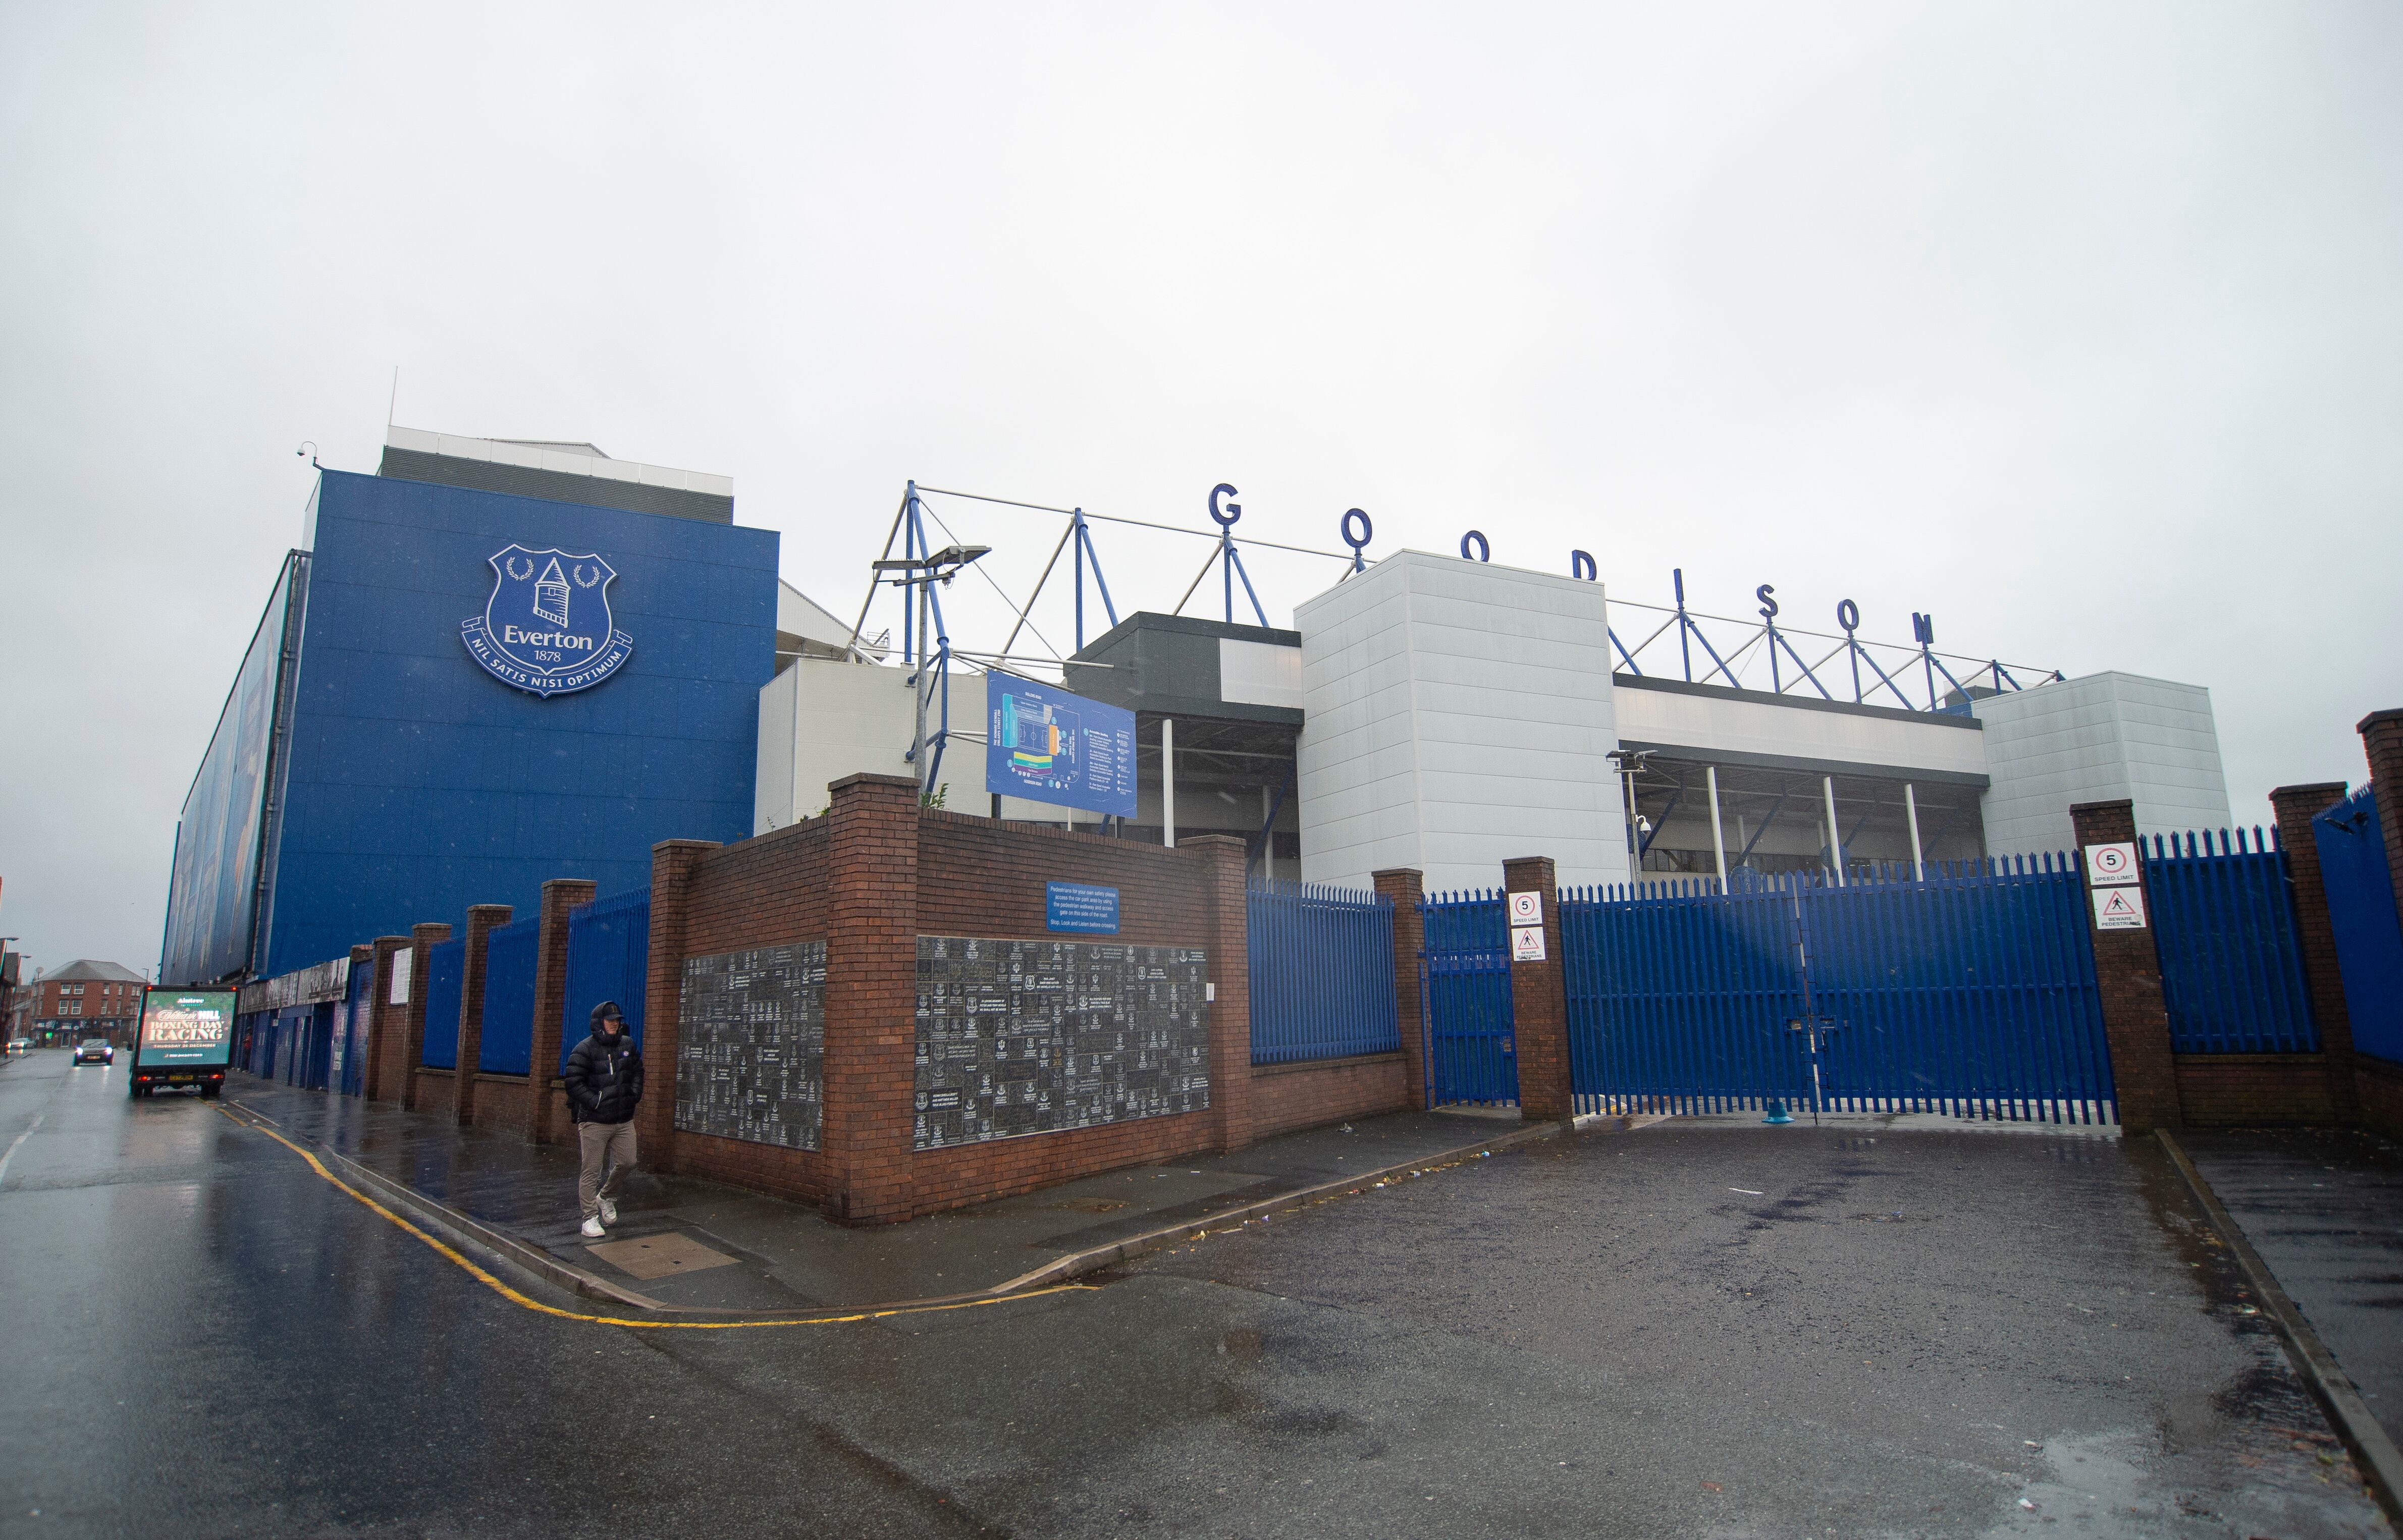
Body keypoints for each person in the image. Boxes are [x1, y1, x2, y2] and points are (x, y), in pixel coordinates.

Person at [563, 1000, 643, 1238]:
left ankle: (606, 1197)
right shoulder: (584, 1049)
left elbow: (638, 1071)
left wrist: (634, 1094)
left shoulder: (627, 1044)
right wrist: (596, 1101)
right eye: (610, 1021)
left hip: (623, 1119)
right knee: (591, 1170)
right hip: (594, 1121)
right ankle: (589, 1218)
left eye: (617, 1021)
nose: (614, 1025)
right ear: (599, 1023)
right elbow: (573, 1082)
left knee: (629, 1162)